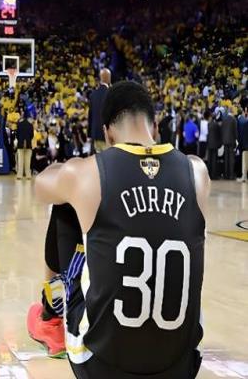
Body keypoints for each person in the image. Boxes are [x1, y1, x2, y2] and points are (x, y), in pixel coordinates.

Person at [29, 81, 209, 379]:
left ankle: (50, 314)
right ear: (155, 127)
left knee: (65, 205)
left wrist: (69, 167)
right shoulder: (197, 172)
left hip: (100, 366)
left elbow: (40, 187)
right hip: (181, 367)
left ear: (107, 133)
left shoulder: (86, 173)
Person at [88, 68, 111, 153]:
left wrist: (89, 135)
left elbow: (90, 116)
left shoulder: (93, 95)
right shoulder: (111, 93)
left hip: (96, 136)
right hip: (108, 137)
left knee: (99, 159)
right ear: (109, 78)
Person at [16, 112, 34, 180]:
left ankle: (19, 175)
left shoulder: (19, 124)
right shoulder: (30, 125)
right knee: (28, 161)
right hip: (28, 144)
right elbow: (32, 135)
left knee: (20, 160)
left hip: (20, 144)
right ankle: (28, 175)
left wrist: (20, 140)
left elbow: (17, 135)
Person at [221, 107, 237, 180]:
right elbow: (235, 131)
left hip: (225, 141)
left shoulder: (224, 119)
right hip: (231, 141)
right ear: (232, 111)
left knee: (226, 158)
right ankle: (231, 175)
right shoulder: (233, 119)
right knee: (231, 159)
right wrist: (236, 140)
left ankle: (226, 175)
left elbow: (222, 130)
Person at [206, 112, 221, 180]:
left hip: (209, 144)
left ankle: (209, 174)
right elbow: (219, 135)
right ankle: (214, 175)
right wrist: (219, 144)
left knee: (209, 160)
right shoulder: (217, 125)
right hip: (215, 145)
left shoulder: (208, 124)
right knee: (214, 160)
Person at [237, 106, 248, 183]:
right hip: (245, 145)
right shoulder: (245, 121)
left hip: (245, 146)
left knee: (245, 162)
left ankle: (244, 177)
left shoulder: (245, 122)